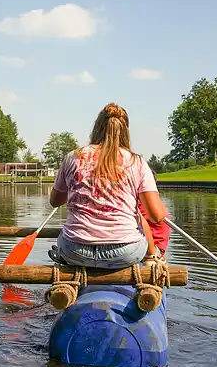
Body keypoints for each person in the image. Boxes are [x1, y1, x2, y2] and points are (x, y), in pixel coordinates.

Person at [49, 102, 167, 269]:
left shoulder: (72, 157)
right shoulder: (137, 161)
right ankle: (151, 259)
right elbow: (156, 216)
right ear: (125, 130)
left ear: (97, 127)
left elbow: (55, 201)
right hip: (126, 252)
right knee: (139, 218)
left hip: (74, 250)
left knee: (65, 235)